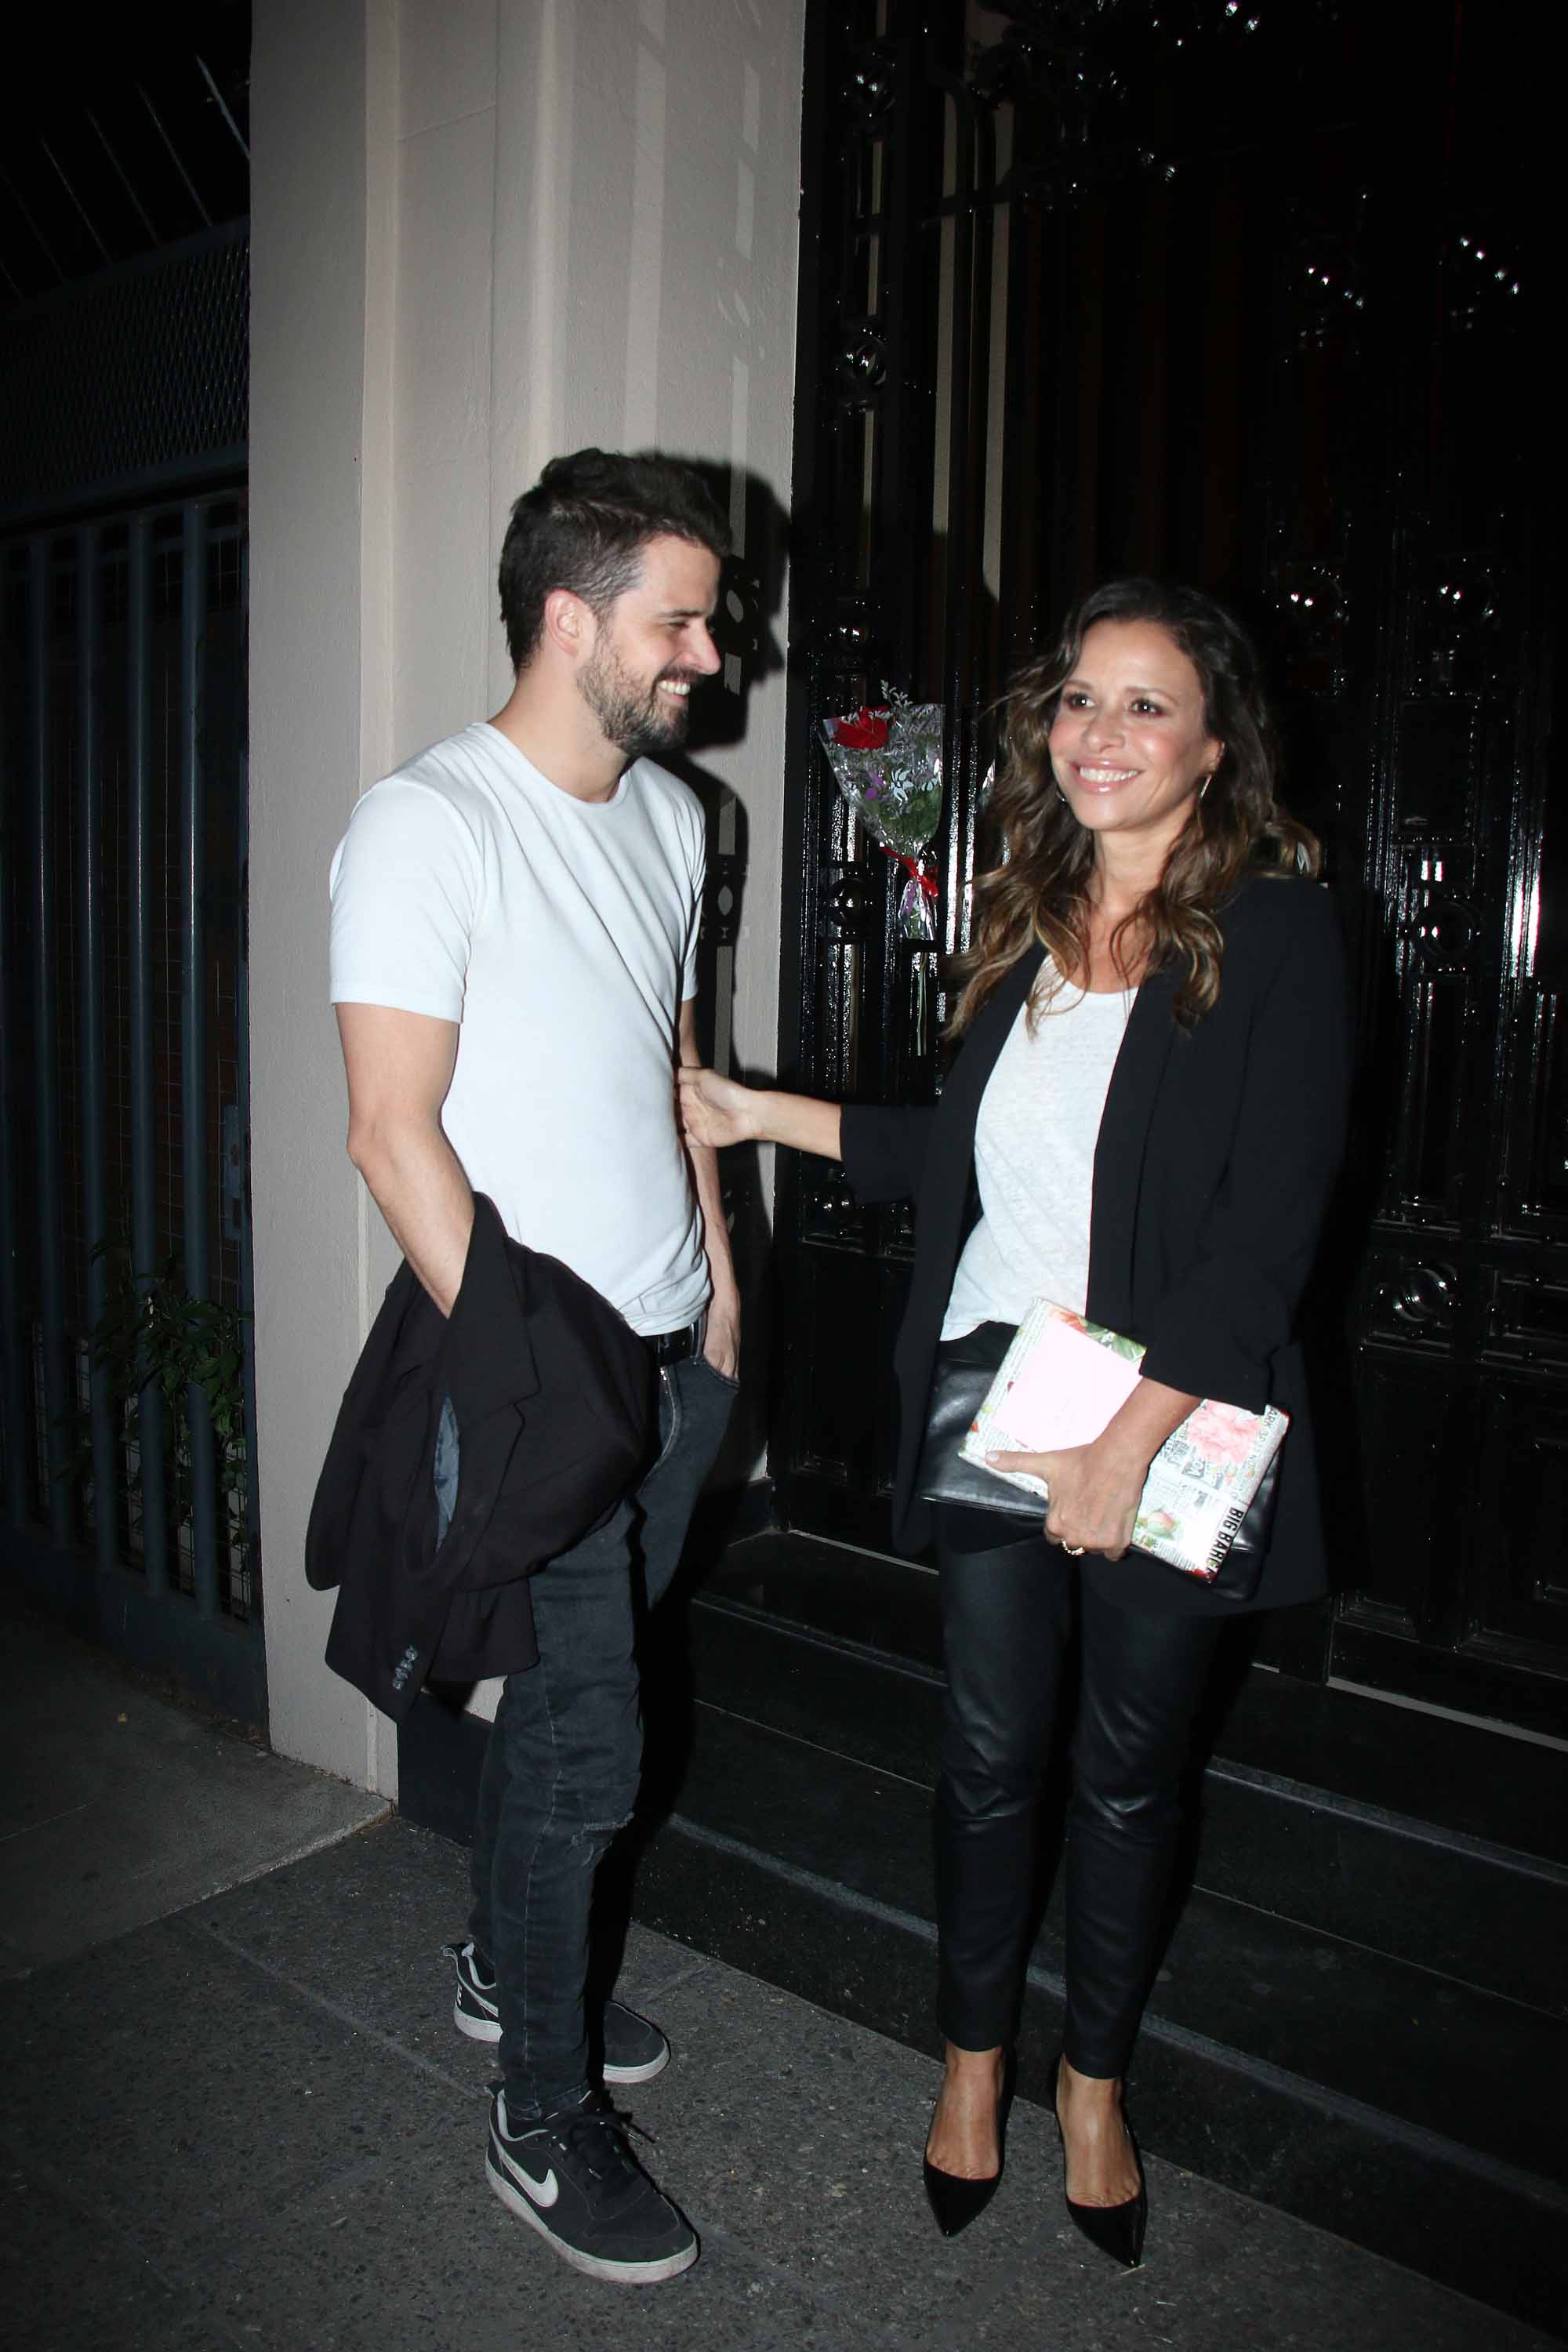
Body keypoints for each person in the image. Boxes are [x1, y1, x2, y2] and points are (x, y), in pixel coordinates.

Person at [681, 579, 1351, 2270]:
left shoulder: (1273, 934)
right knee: (986, 1759)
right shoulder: (1030, 920)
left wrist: (1125, 1445)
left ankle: (1094, 2082)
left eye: (1144, 706)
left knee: (1125, 1777)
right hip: (997, 1381)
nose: (1100, 733)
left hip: (1169, 1410)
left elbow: (1265, 1235)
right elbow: (962, 1161)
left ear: (1212, 747)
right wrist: (757, 1108)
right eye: (1079, 701)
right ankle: (973, 2061)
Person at [328, 448, 743, 2285]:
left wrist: (720, 1291)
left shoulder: (673, 822)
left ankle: (511, 1966)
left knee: (592, 1703)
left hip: (670, 1350)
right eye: (681, 618)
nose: (713, 655)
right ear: (569, 618)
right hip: (538, 1366)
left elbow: (672, 1071)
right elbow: (390, 1130)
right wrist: (532, 1379)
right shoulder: (430, 821)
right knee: (589, 1746)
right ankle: (540, 2116)